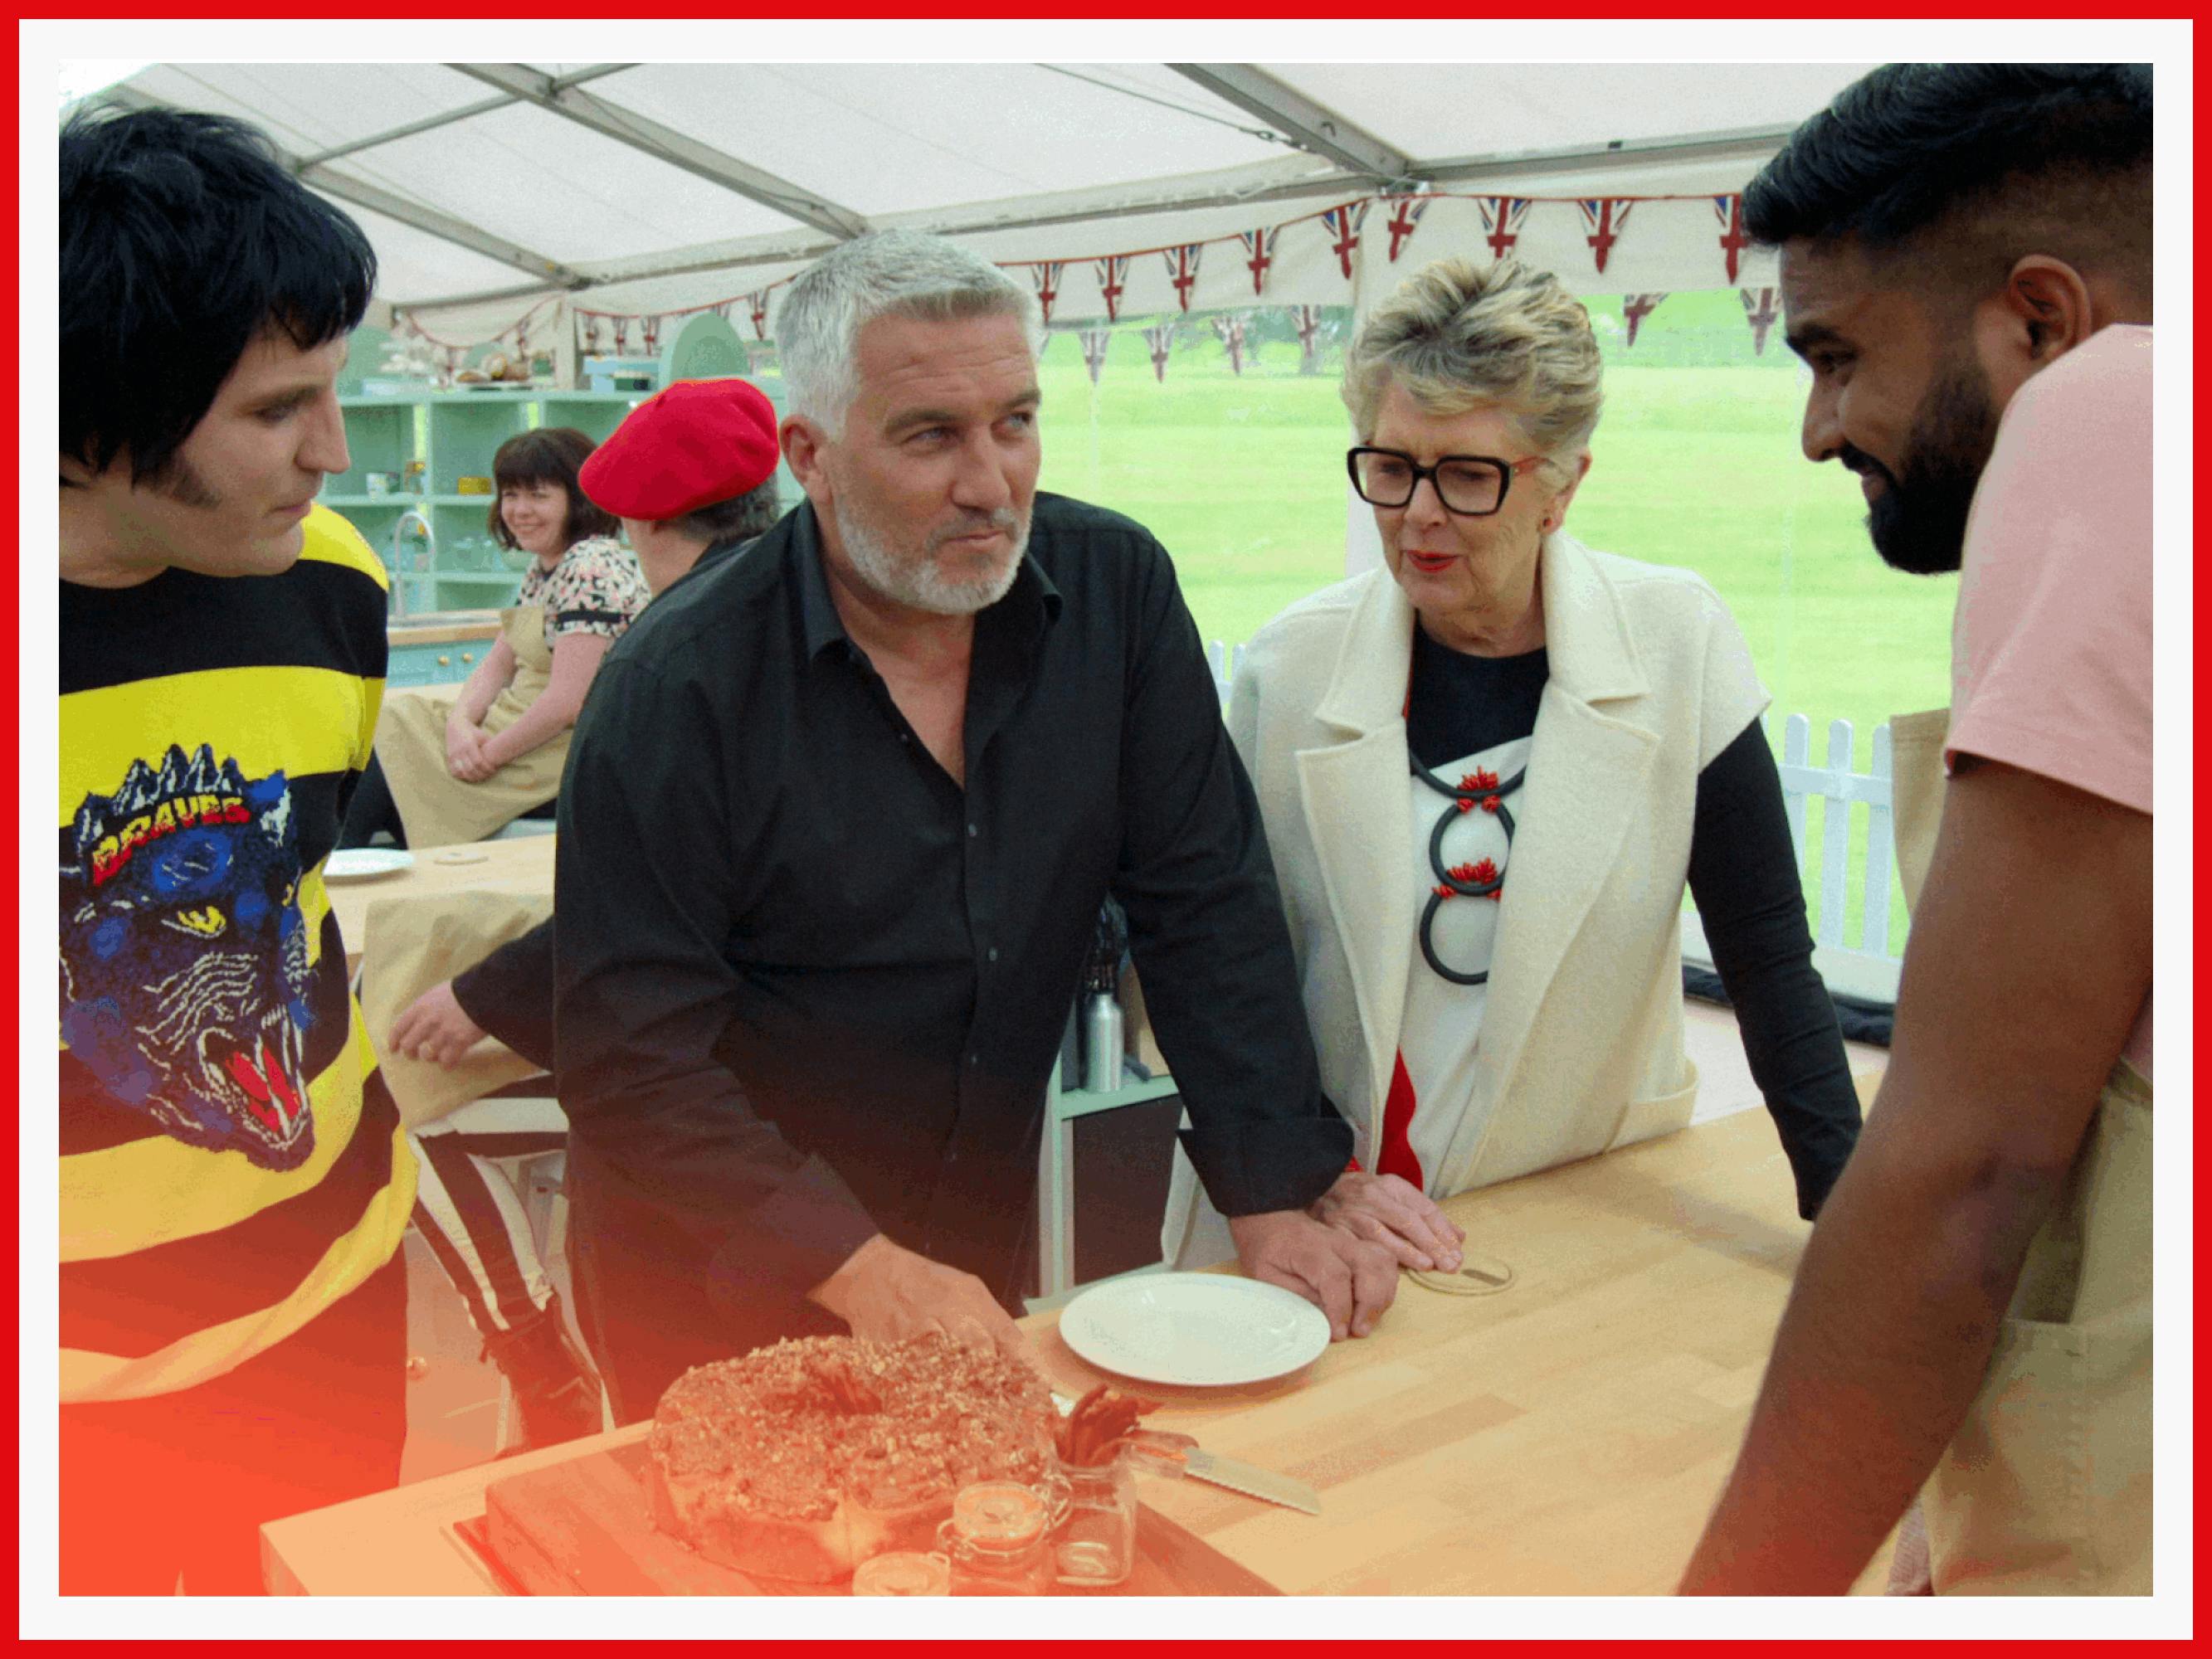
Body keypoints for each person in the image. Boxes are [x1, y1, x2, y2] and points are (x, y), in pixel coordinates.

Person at [551, 229, 1433, 1423]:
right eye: (930, 436)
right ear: (807, 454)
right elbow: (630, 1057)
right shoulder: (679, 687)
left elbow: (1202, 897)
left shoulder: (1112, 594)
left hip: (965, 1234)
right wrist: (856, 1268)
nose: (990, 482)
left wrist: (1270, 1184)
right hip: (714, 1271)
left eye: (1014, 422)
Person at [1679, 63, 2153, 1596]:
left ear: (2038, 318)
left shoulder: (2118, 406)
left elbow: (1964, 1170)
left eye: (1834, 355)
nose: (1819, 432)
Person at [1165, 256, 1863, 1274]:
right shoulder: (1289, 666)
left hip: (1570, 1215)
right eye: (1391, 465)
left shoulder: (1675, 643)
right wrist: (1294, 1170)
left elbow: (1765, 954)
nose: (1416, 514)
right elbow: (1220, 960)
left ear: (1563, 484)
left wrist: (1852, 1219)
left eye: (1466, 473)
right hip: (1320, 1214)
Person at [57, 107, 416, 1594]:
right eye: (277, 410)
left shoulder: (331, 581)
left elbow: (301, 893)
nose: (333, 453)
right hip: (68, 1401)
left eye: (335, 392)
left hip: (338, 1294)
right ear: (80, 418)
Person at [378, 377, 783, 1453]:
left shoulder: (674, 656)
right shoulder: (821, 618)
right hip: (808, 1081)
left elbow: (649, 897)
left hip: (691, 1072)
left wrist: (481, 994)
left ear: (637, 520)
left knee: (401, 1098)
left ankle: (527, 1340)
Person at [338, 426, 648, 849]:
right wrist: (460, 726)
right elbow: (496, 666)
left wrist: (487, 754)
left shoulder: (592, 565)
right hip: (517, 734)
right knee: (393, 718)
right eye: (511, 495)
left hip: (549, 760)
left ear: (578, 500)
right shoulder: (546, 566)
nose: (520, 510)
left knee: (382, 765)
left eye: (539, 496)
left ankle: (330, 874)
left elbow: (567, 704)